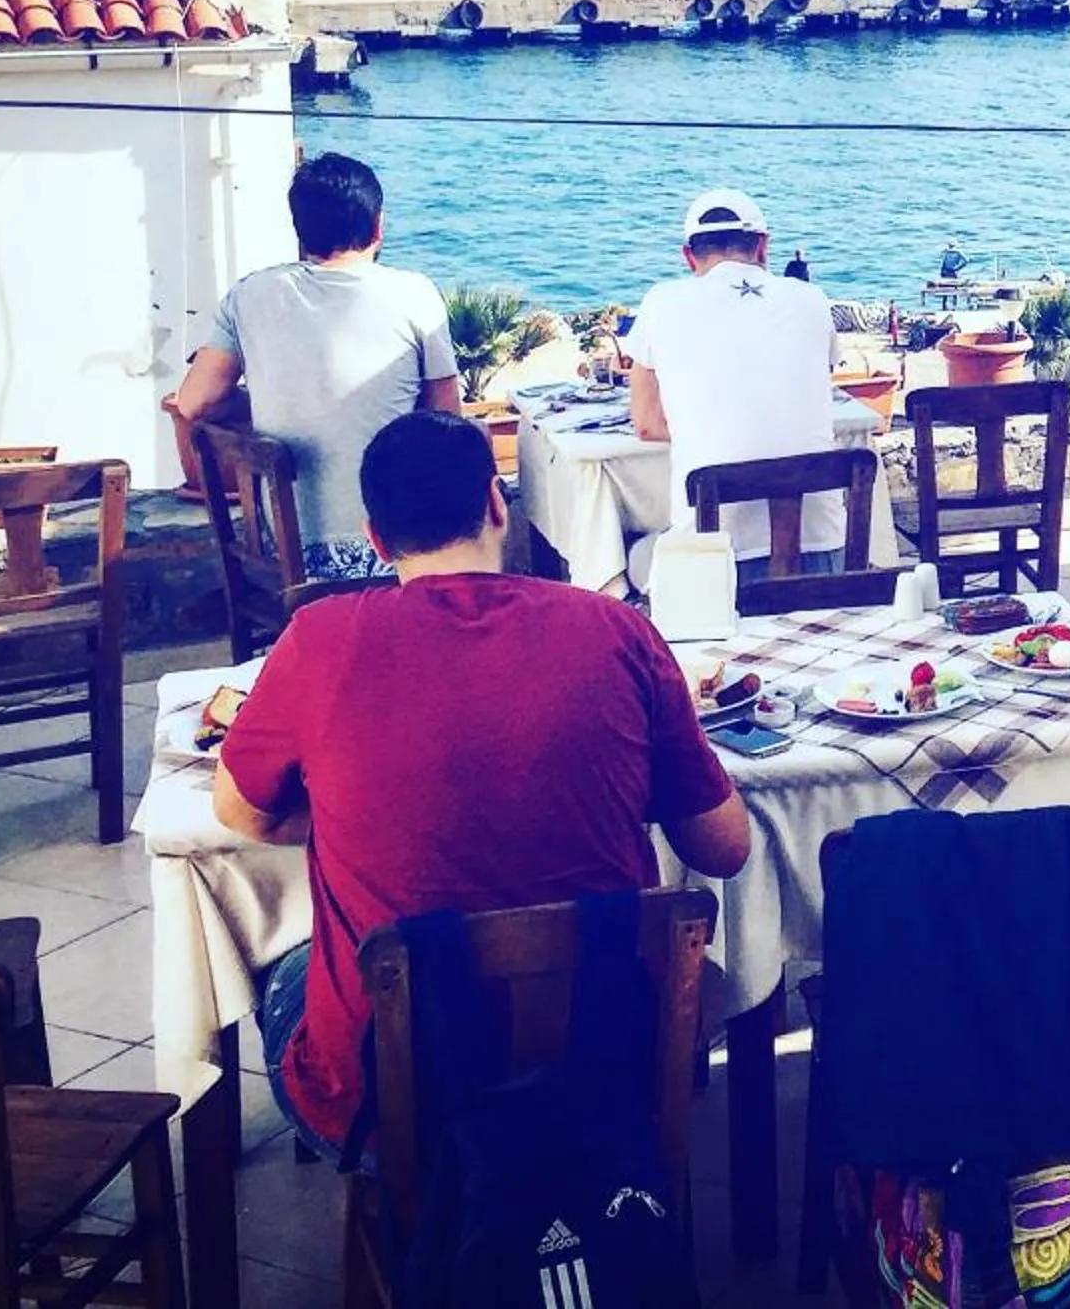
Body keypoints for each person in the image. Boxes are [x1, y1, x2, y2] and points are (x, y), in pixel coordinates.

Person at [213, 410, 750, 1160]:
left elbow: (241, 810)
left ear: (376, 538)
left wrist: (352, 809)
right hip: (605, 1066)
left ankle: (408, 1217)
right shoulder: (616, 629)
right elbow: (724, 848)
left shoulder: (319, 641)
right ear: (498, 505)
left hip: (398, 1105)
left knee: (292, 970)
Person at [173, 151, 458, 585]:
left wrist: (260, 399)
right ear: (378, 226)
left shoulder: (249, 296)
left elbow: (193, 401)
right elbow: (448, 420)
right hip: (393, 552)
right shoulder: (414, 294)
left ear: (299, 232)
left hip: (281, 556)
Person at [628, 185, 843, 577]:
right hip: (821, 548)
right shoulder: (811, 299)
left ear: (688, 256)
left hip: (714, 556)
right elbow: (808, 393)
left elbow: (646, 425)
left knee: (635, 557)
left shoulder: (661, 302)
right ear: (763, 247)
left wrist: (706, 425)